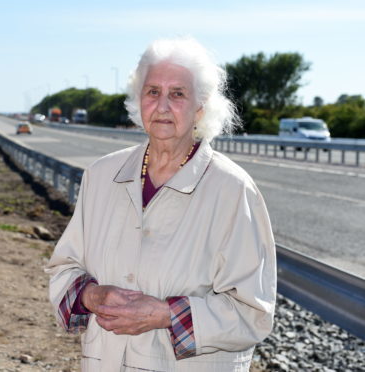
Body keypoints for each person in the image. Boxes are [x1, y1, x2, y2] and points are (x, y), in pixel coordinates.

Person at [46, 37, 276, 371]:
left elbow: (253, 313)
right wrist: (91, 297)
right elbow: (64, 269)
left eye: (178, 94)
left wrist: (165, 314)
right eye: (153, 91)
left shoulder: (233, 189)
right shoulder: (101, 176)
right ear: (139, 101)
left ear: (201, 106)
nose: (163, 105)